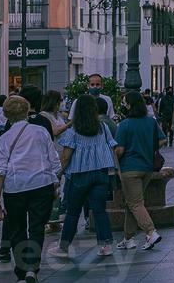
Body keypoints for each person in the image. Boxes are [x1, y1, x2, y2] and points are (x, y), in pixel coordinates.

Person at [0, 96, 61, 283]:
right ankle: (33, 267)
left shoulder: (4, 139)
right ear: (27, 110)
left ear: (6, 115)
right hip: (41, 184)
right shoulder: (40, 131)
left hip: (15, 187)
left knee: (17, 228)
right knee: (37, 228)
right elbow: (54, 160)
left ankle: (22, 270)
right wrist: (55, 183)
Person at [47, 95, 116, 259]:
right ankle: (106, 245)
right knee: (99, 211)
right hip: (100, 173)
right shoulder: (102, 128)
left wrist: (59, 173)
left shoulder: (74, 131)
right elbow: (112, 147)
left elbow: (66, 157)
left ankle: (63, 247)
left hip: (78, 175)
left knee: (72, 212)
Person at [114, 90, 165, 251]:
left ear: (129, 105)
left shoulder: (124, 125)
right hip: (148, 167)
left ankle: (151, 232)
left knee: (135, 203)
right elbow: (162, 140)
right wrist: (150, 149)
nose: (123, 105)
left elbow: (120, 150)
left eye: (124, 102)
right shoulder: (150, 122)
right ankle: (128, 238)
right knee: (133, 202)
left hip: (129, 168)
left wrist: (114, 155)